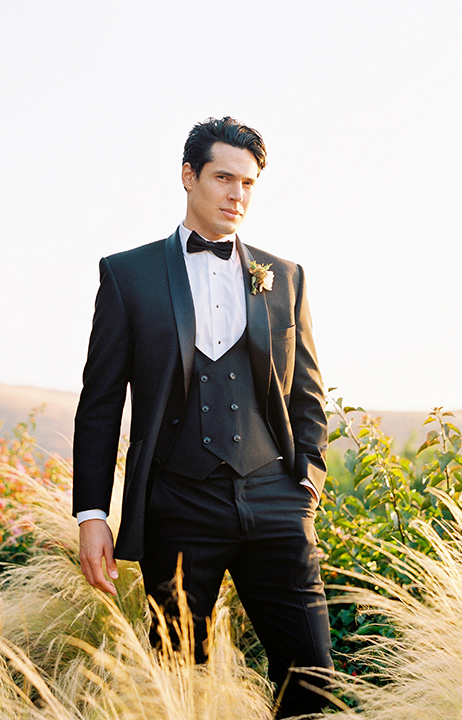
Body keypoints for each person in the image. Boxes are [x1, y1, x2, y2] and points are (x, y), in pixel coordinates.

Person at [73, 116, 333, 717]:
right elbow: (101, 402)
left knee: (313, 677)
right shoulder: (126, 274)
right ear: (188, 177)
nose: (237, 194)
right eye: (223, 177)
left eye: (247, 183)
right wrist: (92, 513)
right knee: (176, 686)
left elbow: (308, 394)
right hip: (179, 503)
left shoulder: (285, 276)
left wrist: (307, 484)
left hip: (275, 502)